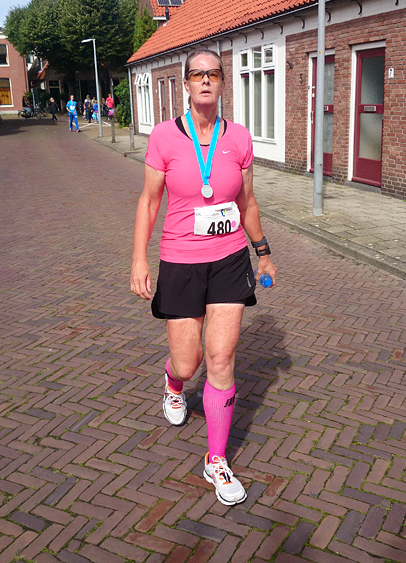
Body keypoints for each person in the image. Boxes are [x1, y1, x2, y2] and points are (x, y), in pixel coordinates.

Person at [131, 48, 277, 506]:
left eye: (214, 73)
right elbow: (149, 201)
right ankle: (173, 384)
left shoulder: (240, 138)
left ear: (223, 82)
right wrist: (139, 259)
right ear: (187, 83)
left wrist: (263, 252)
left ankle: (216, 459)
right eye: (197, 75)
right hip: (180, 261)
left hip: (230, 259)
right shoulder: (164, 137)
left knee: (221, 358)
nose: (206, 81)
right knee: (188, 363)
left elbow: (247, 201)